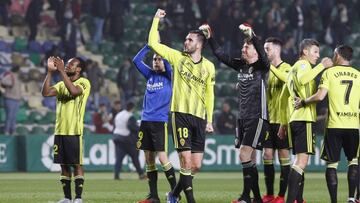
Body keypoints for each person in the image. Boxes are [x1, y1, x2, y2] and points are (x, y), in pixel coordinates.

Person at [148, 9, 215, 203]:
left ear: (200, 44)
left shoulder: (209, 67)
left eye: (190, 40)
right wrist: (155, 21)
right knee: (185, 161)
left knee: (195, 165)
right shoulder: (177, 58)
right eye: (185, 39)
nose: (186, 42)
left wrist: (209, 119)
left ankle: (173, 194)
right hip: (181, 115)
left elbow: (210, 94)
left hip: (199, 117)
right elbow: (153, 43)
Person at [200, 23, 270, 203]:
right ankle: (257, 199)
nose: (243, 48)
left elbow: (264, 55)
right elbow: (220, 55)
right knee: (250, 159)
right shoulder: (241, 66)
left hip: (257, 117)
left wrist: (252, 35)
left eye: (247, 46)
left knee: (244, 155)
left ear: (255, 52)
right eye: (243, 45)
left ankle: (246, 196)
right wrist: (210, 38)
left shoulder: (262, 66)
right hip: (243, 117)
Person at [294, 45, 360, 203]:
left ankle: (334, 201)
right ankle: (351, 198)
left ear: (337, 55)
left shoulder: (329, 72)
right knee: (354, 162)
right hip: (353, 125)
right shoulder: (358, 75)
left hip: (334, 125)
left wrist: (303, 102)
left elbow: (320, 96)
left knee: (332, 165)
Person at [278, 39, 333, 203]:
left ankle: (299, 199)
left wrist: (283, 122)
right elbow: (303, 80)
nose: (318, 55)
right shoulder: (303, 66)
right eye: (315, 52)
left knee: (299, 162)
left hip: (294, 119)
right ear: (305, 52)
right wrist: (321, 66)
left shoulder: (292, 69)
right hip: (304, 118)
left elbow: (283, 99)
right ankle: (291, 201)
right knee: (301, 163)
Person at [41, 56, 90, 203]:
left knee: (76, 164)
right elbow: (46, 93)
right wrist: (50, 72)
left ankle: (78, 198)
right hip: (60, 130)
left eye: (71, 64)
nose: (67, 66)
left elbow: (74, 92)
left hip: (74, 131)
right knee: (63, 166)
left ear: (79, 69)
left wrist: (61, 70)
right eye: (66, 64)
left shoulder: (84, 82)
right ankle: (67, 198)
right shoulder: (62, 84)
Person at [132, 44, 176, 203]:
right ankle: (153, 197)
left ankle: (175, 193)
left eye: (160, 59)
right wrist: (148, 46)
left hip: (159, 122)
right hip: (145, 121)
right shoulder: (149, 74)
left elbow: (170, 65)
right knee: (149, 159)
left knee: (163, 158)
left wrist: (163, 53)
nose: (156, 61)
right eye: (154, 59)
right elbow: (136, 60)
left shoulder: (170, 76)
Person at [262, 37, 292, 203]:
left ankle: (281, 196)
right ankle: (269, 194)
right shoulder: (267, 71)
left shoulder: (287, 68)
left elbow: (287, 80)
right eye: (264, 49)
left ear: (277, 50)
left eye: (268, 49)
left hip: (281, 120)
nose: (265, 52)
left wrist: (271, 68)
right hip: (267, 120)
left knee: (283, 156)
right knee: (267, 155)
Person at [113, 102, 146, 180]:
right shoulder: (130, 116)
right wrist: (139, 128)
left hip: (116, 137)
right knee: (134, 157)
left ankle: (116, 175)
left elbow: (115, 124)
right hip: (125, 139)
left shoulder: (119, 114)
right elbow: (131, 126)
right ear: (132, 108)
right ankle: (141, 174)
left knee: (119, 158)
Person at [1, 65, 21, 135]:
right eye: (19, 70)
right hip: (10, 99)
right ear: (17, 70)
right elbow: (3, 81)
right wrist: (10, 84)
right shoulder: (10, 75)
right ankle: (6, 131)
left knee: (14, 116)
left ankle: (12, 131)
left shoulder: (18, 77)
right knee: (9, 116)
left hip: (17, 99)